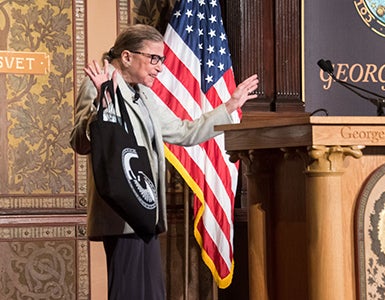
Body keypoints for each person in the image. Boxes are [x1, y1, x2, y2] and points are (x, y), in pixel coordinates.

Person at [70, 24, 258, 300]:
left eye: (162, 60)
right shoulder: (99, 83)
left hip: (146, 210)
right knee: (130, 293)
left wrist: (229, 106)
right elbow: (80, 142)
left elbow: (184, 131)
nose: (159, 68)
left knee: (152, 293)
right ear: (126, 56)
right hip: (121, 213)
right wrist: (103, 103)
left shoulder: (143, 93)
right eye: (154, 59)